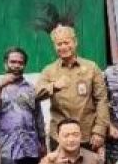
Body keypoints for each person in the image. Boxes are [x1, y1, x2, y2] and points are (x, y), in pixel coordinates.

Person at [36, 24, 109, 152]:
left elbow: (102, 100)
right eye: (59, 44)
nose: (63, 47)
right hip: (59, 136)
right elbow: (36, 94)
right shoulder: (49, 70)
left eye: (66, 42)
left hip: (87, 134)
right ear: (55, 47)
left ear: (75, 43)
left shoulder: (92, 68)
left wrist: (100, 130)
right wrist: (53, 86)